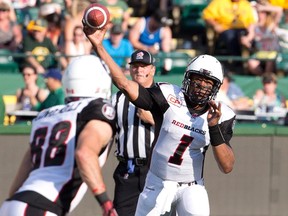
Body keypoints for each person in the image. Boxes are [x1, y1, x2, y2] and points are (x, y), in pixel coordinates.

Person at [83, 23, 236, 216]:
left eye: (208, 82)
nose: (202, 86)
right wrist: (99, 46)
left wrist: (213, 127)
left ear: (216, 87)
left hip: (192, 186)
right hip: (158, 180)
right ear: (188, 79)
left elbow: (227, 166)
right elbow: (124, 84)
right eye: (198, 79)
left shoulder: (222, 114)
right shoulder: (167, 95)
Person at [0, 55, 118, 216]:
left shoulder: (47, 115)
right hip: (42, 207)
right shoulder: (96, 111)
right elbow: (84, 154)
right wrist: (106, 203)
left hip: (14, 203)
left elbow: (20, 178)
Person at [112, 50, 155, 216]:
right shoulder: (118, 98)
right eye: (135, 66)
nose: (139, 70)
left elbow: (177, 130)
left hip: (155, 170)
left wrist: (152, 120)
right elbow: (110, 134)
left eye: (144, 66)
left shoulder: (164, 95)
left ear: (152, 69)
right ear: (130, 69)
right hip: (127, 169)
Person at [128, 9, 173, 74]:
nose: (159, 26)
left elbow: (166, 48)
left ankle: (165, 75)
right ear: (153, 19)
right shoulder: (141, 23)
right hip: (138, 52)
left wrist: (158, 51)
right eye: (158, 23)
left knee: (168, 60)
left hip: (155, 54)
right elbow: (132, 41)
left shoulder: (165, 29)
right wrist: (147, 49)